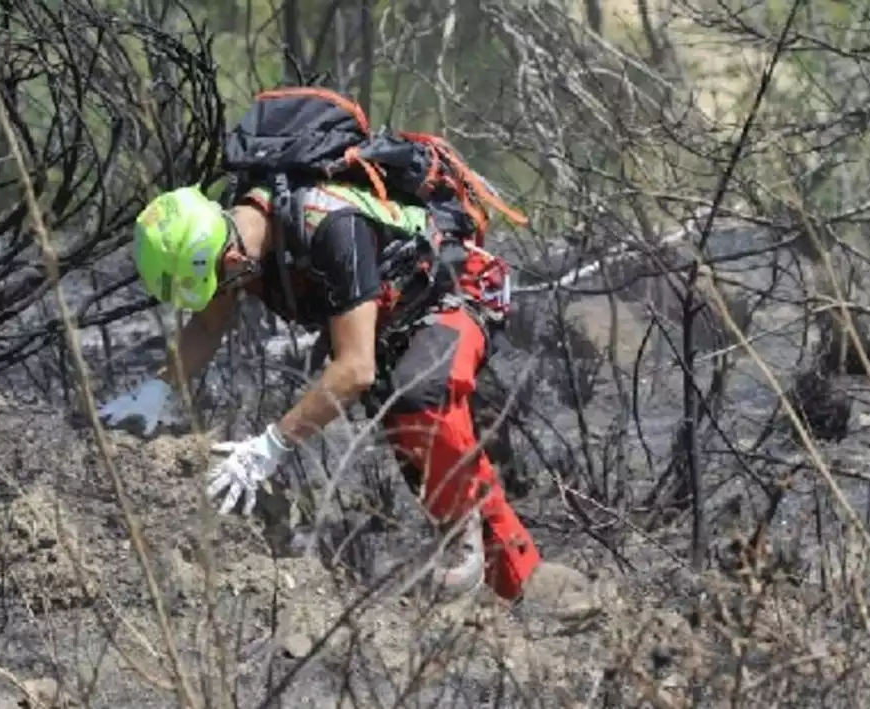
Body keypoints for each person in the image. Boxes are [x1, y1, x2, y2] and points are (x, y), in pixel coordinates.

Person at [97, 177, 552, 606]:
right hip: (391, 318)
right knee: (424, 450)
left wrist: (270, 445)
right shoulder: (230, 238)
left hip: (457, 286)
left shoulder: (333, 228)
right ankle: (524, 591)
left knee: (421, 400)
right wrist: (159, 386)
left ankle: (473, 547)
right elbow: (209, 323)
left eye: (223, 283)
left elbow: (355, 370)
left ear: (231, 260)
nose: (227, 294)